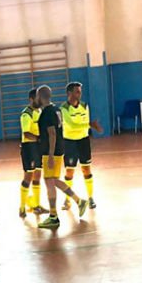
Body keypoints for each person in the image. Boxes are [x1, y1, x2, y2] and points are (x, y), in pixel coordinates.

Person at [36, 85, 89, 229]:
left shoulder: (47, 113)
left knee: (49, 182)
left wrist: (50, 154)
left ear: (40, 97)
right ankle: (79, 201)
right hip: (59, 149)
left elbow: (52, 133)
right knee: (53, 180)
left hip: (51, 152)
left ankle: (53, 216)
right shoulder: (56, 109)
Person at [61, 82, 103, 210]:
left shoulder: (84, 106)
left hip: (83, 141)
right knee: (69, 172)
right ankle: (67, 200)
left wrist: (88, 125)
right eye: (77, 91)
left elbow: (85, 123)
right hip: (69, 142)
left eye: (80, 91)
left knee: (86, 170)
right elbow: (71, 125)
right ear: (69, 93)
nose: (80, 94)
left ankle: (90, 198)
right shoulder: (64, 108)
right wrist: (89, 125)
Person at [19, 88, 46, 217]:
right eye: (37, 98)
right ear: (31, 99)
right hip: (28, 147)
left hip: (38, 147)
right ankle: (22, 207)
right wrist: (40, 138)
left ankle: (36, 205)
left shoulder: (40, 111)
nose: (40, 100)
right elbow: (26, 133)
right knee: (28, 176)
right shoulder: (26, 114)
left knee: (38, 175)